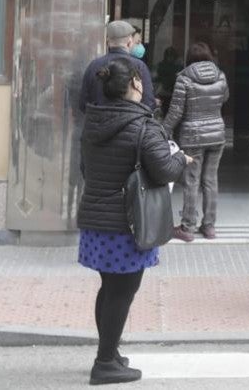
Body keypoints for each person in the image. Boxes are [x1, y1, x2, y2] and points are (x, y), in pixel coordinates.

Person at [77, 55, 191, 384]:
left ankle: (110, 353)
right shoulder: (143, 125)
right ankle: (104, 363)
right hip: (127, 223)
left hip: (96, 220)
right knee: (122, 292)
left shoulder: (94, 122)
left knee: (109, 289)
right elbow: (165, 169)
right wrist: (182, 157)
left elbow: (86, 170)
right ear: (136, 85)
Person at [164, 42, 230, 242]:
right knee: (211, 180)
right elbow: (224, 98)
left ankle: (188, 228)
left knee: (191, 181)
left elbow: (176, 111)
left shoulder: (184, 79)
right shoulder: (221, 76)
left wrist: (164, 130)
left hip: (192, 136)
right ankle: (209, 227)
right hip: (217, 134)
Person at [80, 21, 156, 112]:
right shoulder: (139, 66)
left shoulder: (93, 66)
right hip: (130, 124)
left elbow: (83, 104)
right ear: (129, 43)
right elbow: (148, 103)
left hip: (97, 124)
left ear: (107, 42)